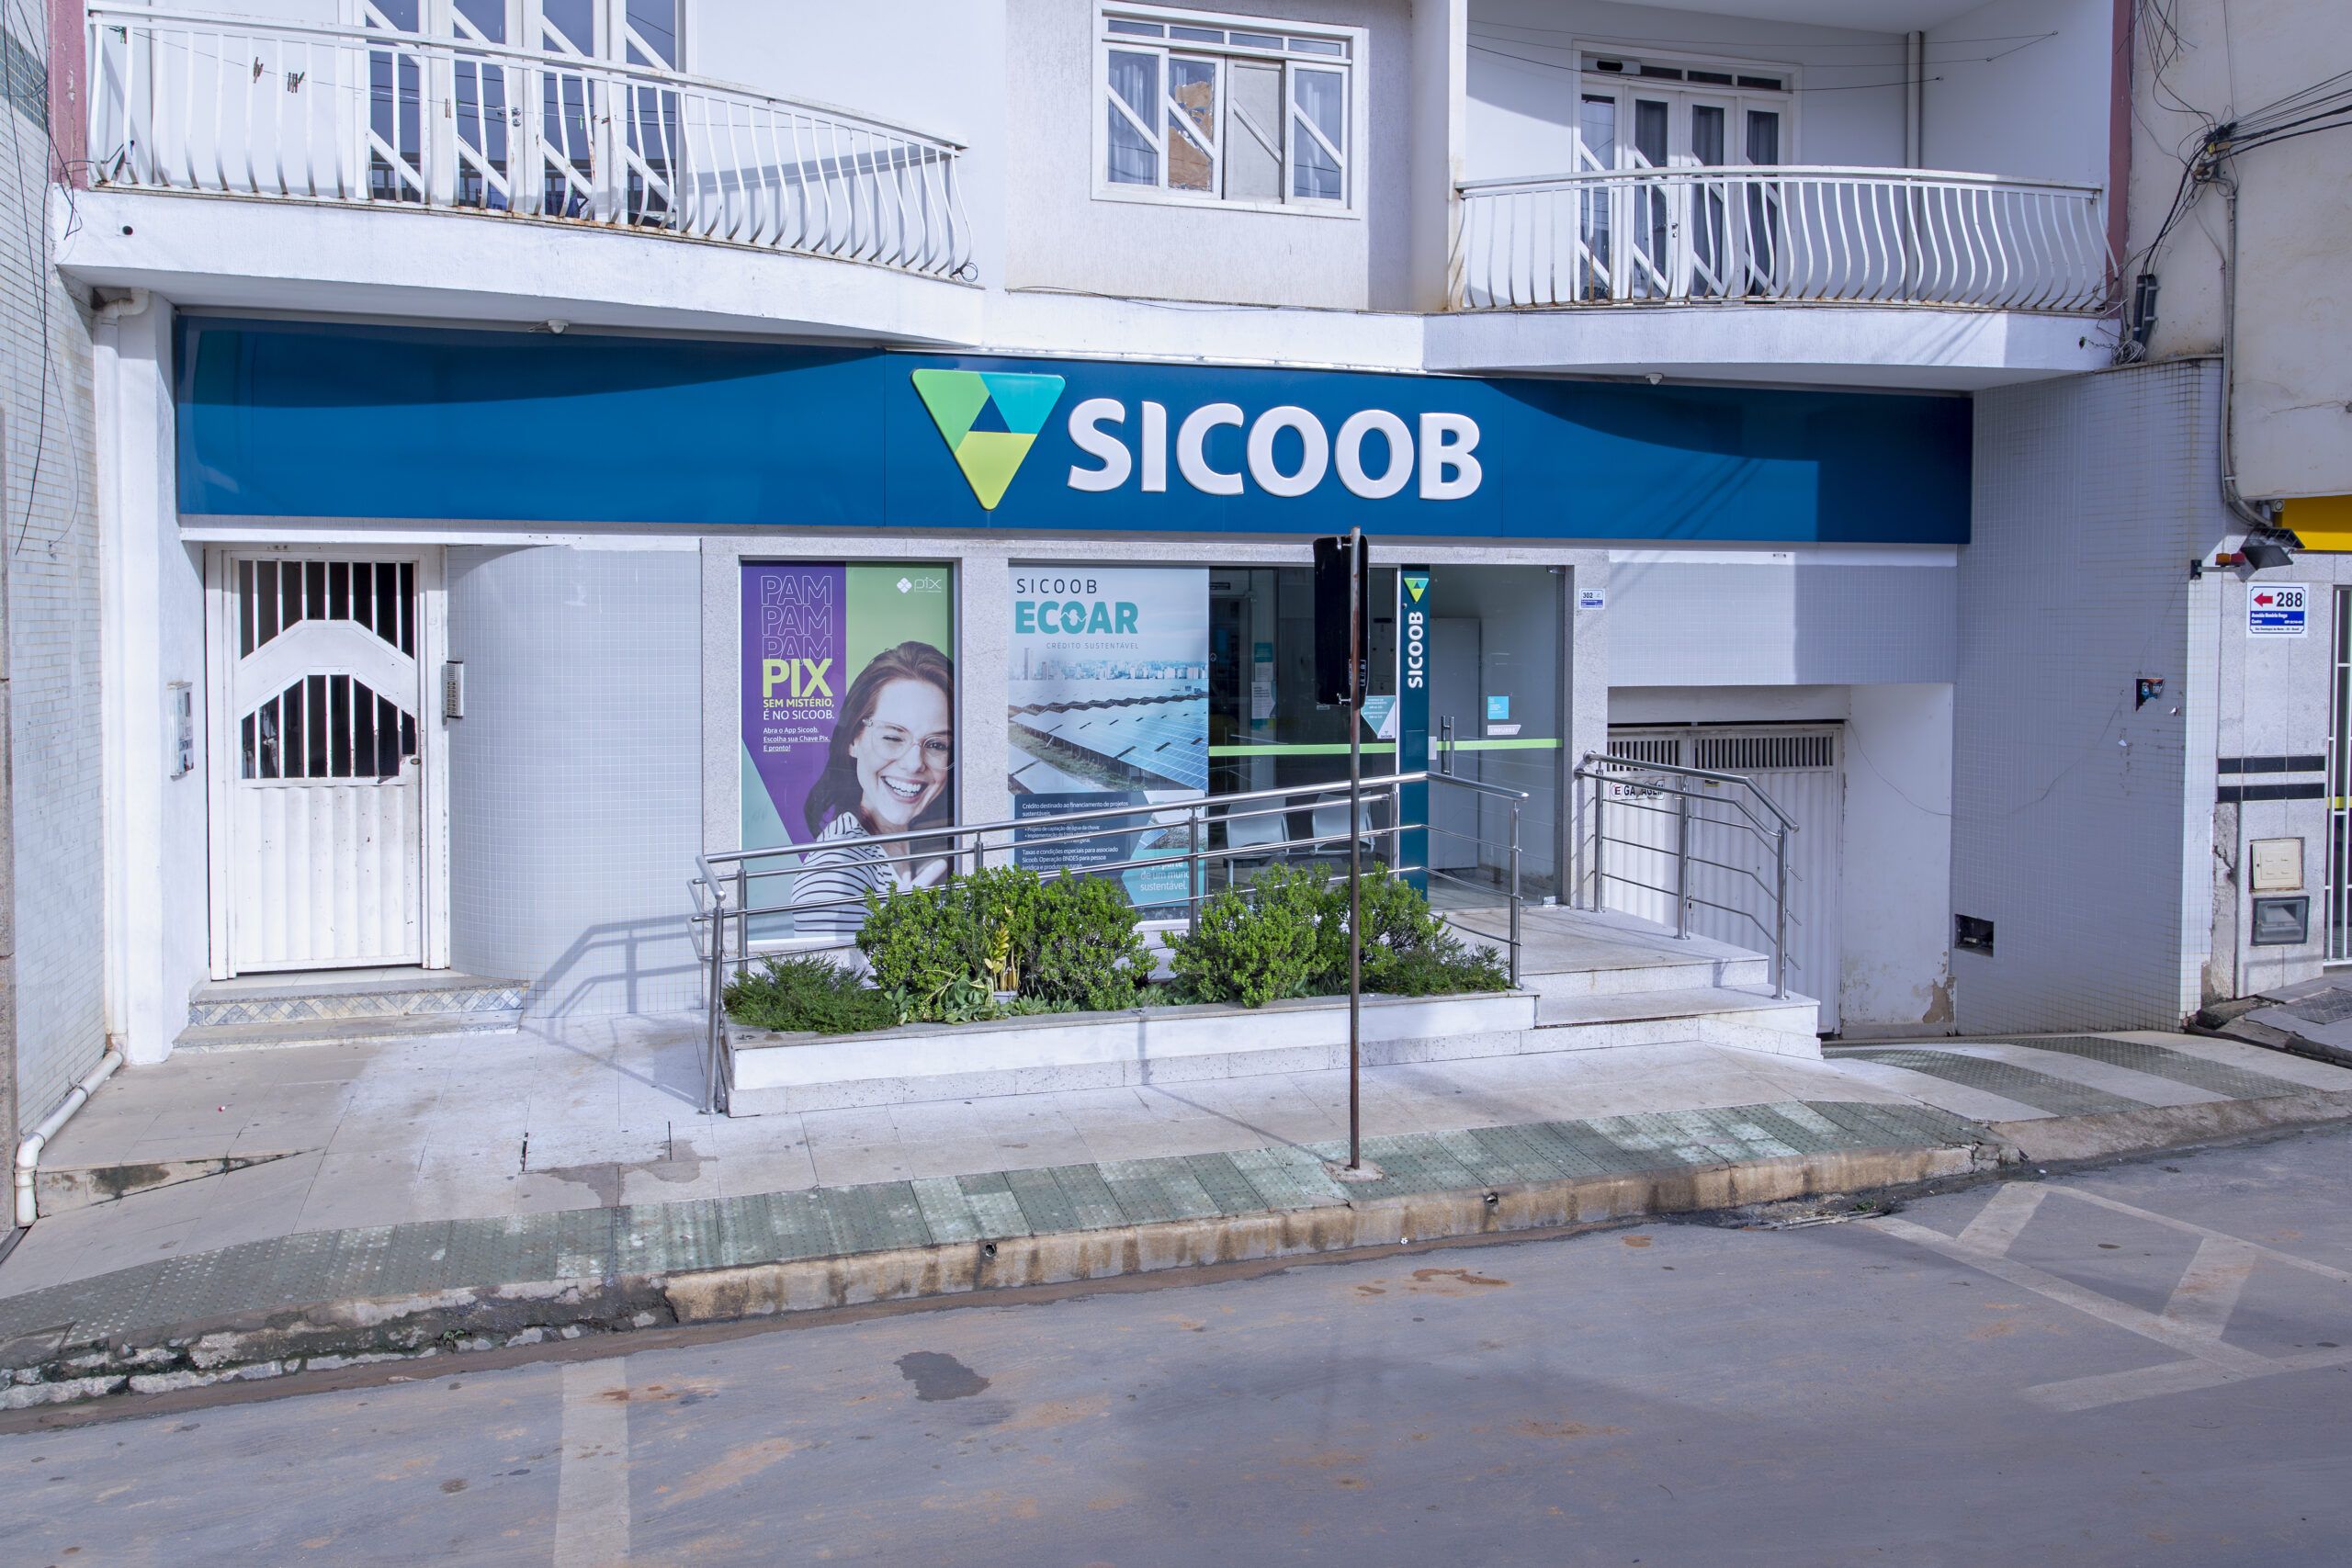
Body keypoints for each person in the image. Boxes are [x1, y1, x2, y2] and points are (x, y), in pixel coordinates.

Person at [788, 641, 956, 936]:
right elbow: (828, 965)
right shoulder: (835, 873)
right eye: (892, 737)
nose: (914, 764)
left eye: (937, 745)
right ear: (854, 739)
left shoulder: (915, 838)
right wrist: (901, 928)